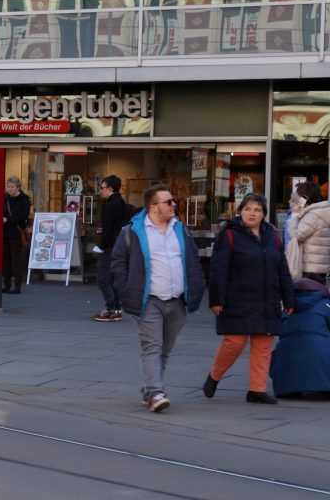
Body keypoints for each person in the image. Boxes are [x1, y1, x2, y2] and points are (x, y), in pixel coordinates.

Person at [111, 184, 206, 413]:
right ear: (154, 207)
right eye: (169, 202)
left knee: (165, 349)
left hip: (176, 300)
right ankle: (156, 392)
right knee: (152, 346)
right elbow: (117, 262)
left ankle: (150, 390)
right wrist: (125, 288)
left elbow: (193, 258)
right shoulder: (132, 232)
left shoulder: (180, 230)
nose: (174, 205)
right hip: (148, 299)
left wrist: (197, 284)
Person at [203, 193, 294, 405]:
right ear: (239, 211)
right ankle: (215, 375)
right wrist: (216, 299)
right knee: (234, 342)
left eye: (257, 210)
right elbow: (218, 269)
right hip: (237, 298)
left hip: (267, 299)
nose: (252, 213)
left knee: (263, 344)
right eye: (247, 209)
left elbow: (282, 269)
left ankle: (257, 390)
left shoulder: (273, 236)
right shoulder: (229, 234)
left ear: (263, 214)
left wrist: (289, 298)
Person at [271, 277, 330, 398]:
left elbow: (280, 330)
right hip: (320, 347)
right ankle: (323, 387)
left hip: (286, 350)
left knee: (284, 349)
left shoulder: (287, 307)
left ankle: (289, 387)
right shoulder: (325, 304)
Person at [93, 175, 128, 321]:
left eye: (102, 188)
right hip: (118, 245)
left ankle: (111, 308)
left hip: (109, 247)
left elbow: (108, 230)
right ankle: (116, 308)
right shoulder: (121, 203)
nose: (100, 191)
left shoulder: (111, 205)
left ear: (110, 189)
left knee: (103, 278)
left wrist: (101, 246)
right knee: (113, 278)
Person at [289, 181, 330, 282]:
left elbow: (295, 236)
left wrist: (295, 214)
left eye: (298, 196)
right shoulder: (322, 211)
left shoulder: (312, 216)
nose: (297, 199)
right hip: (319, 268)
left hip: (311, 269)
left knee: (309, 297)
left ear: (304, 198)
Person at [2, 176, 31, 294]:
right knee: (6, 260)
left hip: (17, 233)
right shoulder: (5, 198)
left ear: (18, 187)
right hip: (5, 232)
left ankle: (17, 286)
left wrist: (7, 220)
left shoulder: (24, 200)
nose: (10, 189)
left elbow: (23, 217)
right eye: (8, 186)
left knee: (17, 260)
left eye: (12, 187)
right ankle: (7, 285)